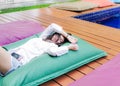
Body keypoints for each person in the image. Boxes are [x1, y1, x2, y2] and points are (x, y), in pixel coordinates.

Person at [0, 23, 79, 77]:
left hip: (15, 63)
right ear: (56, 33)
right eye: (59, 37)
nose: (58, 41)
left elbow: (54, 52)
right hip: (9, 55)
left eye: (60, 42)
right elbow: (53, 26)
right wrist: (67, 36)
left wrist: (69, 47)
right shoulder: (42, 37)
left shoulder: (51, 46)